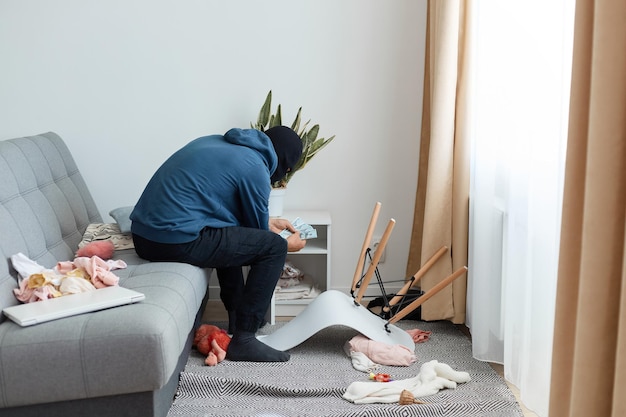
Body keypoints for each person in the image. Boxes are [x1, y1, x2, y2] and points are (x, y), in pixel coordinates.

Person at [129, 126, 306, 362]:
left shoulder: (217, 142)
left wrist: (268, 222)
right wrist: (288, 244)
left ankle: (236, 315)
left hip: (143, 236)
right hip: (172, 240)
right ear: (284, 167)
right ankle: (244, 339)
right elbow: (258, 238)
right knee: (274, 248)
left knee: (229, 231)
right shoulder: (256, 169)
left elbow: (241, 228)